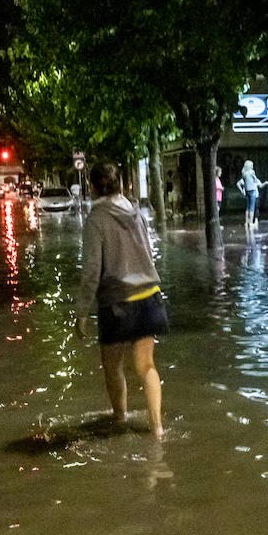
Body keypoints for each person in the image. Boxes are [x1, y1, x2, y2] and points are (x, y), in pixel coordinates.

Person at [77, 161, 167, 438]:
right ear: (119, 184)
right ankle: (158, 429)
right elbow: (148, 254)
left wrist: (81, 312)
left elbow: (92, 271)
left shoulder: (96, 220)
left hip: (116, 303)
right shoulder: (135, 213)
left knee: (113, 367)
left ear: (92, 186)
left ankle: (120, 420)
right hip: (149, 296)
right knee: (147, 366)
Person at [238, 160, 267, 229]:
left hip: (247, 191)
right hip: (252, 191)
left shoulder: (244, 173)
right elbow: (256, 180)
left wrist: (242, 190)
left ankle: (246, 222)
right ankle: (251, 222)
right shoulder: (251, 172)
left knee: (247, 207)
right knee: (252, 208)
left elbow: (241, 183)